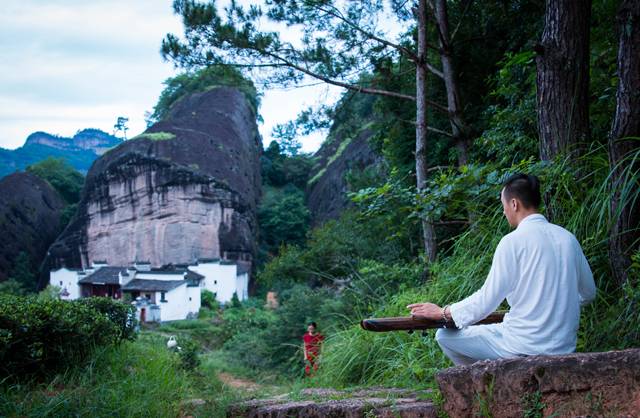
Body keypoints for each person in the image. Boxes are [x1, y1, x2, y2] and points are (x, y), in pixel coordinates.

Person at [408, 173, 596, 366]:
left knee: (444, 336)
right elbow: (589, 293)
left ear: (514, 204)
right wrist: (556, 307)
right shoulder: (568, 239)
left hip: (521, 344)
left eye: (503, 205)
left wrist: (444, 312)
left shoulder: (512, 242)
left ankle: (483, 386)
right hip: (562, 347)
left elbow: (486, 300)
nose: (504, 212)